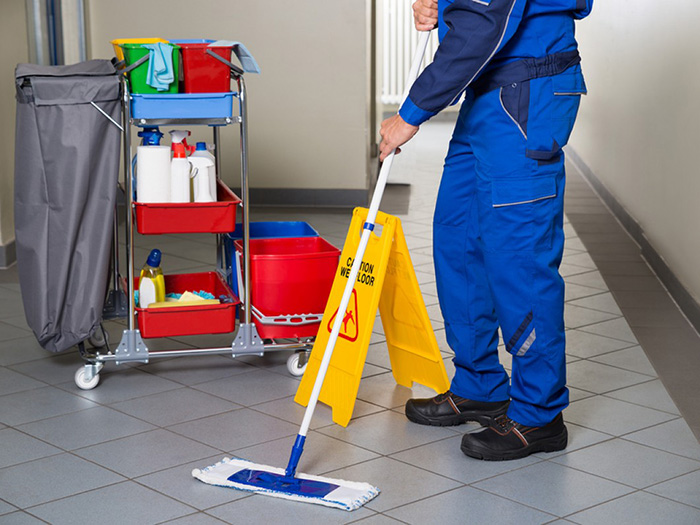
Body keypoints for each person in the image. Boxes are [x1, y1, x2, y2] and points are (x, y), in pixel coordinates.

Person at [379, 0, 593, 461]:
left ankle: (539, 414)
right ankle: (479, 385)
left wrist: (410, 114)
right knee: (459, 242)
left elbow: (483, 25)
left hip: (527, 95)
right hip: (487, 93)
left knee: (518, 258)